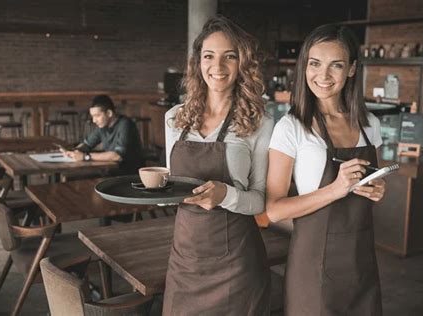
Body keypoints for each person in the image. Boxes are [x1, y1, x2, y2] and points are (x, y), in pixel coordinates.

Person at [265, 24, 386, 315]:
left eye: (336, 65)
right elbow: (273, 210)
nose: (323, 76)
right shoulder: (291, 128)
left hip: (360, 261)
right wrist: (334, 190)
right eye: (315, 64)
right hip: (313, 264)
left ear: (352, 70)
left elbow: (369, 184)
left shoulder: (370, 124)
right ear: (304, 66)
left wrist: (378, 187)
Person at [162, 16, 273, 315]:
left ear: (243, 63)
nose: (218, 67)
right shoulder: (174, 119)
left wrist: (226, 195)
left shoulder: (260, 124)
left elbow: (260, 199)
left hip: (236, 263)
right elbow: (171, 183)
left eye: (230, 57)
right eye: (209, 56)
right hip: (185, 256)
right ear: (198, 62)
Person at [63, 94, 144, 175]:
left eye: (97, 116)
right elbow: (87, 145)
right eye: (92, 116)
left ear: (109, 113)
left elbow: (117, 156)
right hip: (112, 172)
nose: (94, 120)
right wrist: (72, 152)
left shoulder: (125, 124)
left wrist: (85, 157)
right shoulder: (103, 126)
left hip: (129, 175)